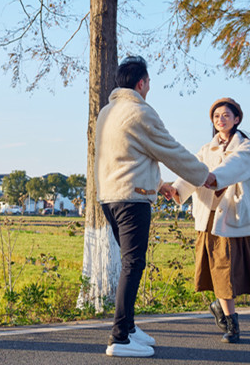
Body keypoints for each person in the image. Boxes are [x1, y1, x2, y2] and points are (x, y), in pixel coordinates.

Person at [95, 55, 215, 357]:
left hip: (110, 196)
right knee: (133, 265)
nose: (149, 87)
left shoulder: (107, 112)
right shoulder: (140, 112)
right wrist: (204, 175)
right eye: (148, 82)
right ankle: (119, 338)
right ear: (141, 83)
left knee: (129, 263)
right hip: (132, 198)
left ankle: (129, 328)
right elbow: (169, 148)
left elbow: (129, 155)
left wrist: (159, 183)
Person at [171, 97, 250, 344]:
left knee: (227, 272)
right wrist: (176, 189)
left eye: (225, 115)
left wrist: (212, 177)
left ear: (236, 119)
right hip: (208, 215)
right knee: (219, 271)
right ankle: (231, 323)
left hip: (232, 216)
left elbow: (233, 167)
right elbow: (194, 169)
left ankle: (223, 311)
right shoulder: (207, 149)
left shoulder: (244, 146)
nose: (220, 120)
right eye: (216, 116)